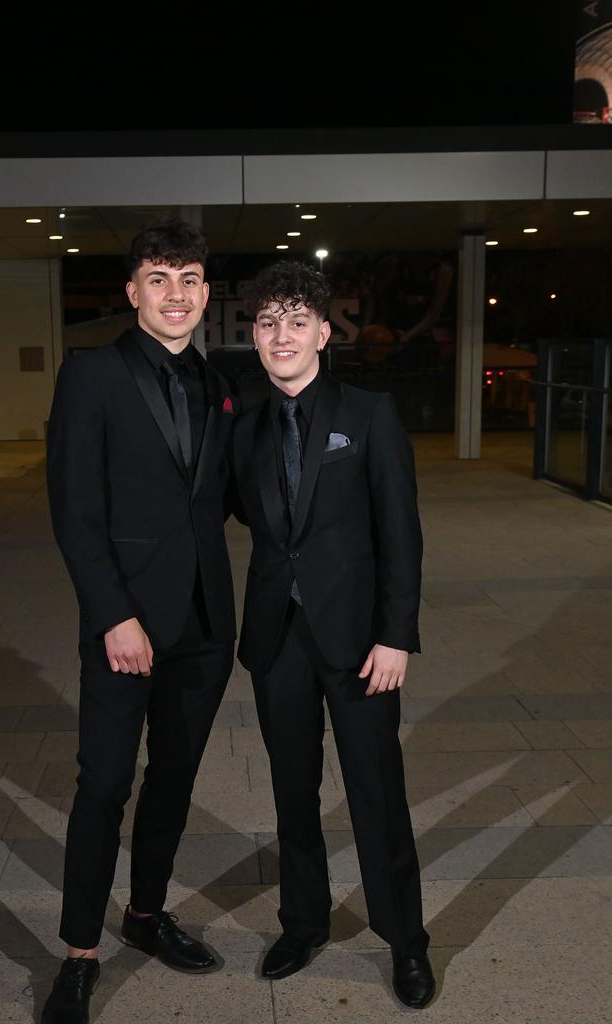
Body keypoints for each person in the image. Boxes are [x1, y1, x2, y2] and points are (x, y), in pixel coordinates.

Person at [42, 219, 237, 1023]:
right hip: (125, 628)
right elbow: (75, 511)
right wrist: (113, 615)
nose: (177, 294)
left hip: (203, 626)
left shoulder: (219, 380)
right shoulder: (92, 375)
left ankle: (147, 915)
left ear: (204, 293)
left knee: (174, 783)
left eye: (189, 279)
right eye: (159, 278)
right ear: (132, 292)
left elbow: (227, 493)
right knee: (105, 786)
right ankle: (80, 956)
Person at [228, 261, 435, 1009]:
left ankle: (406, 942)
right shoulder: (244, 426)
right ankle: (303, 923)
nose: (281, 335)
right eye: (267, 322)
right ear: (254, 336)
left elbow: (401, 536)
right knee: (292, 795)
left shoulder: (370, 415)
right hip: (277, 641)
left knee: (378, 795)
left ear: (322, 331)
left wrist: (395, 636)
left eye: (295, 321)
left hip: (359, 646)